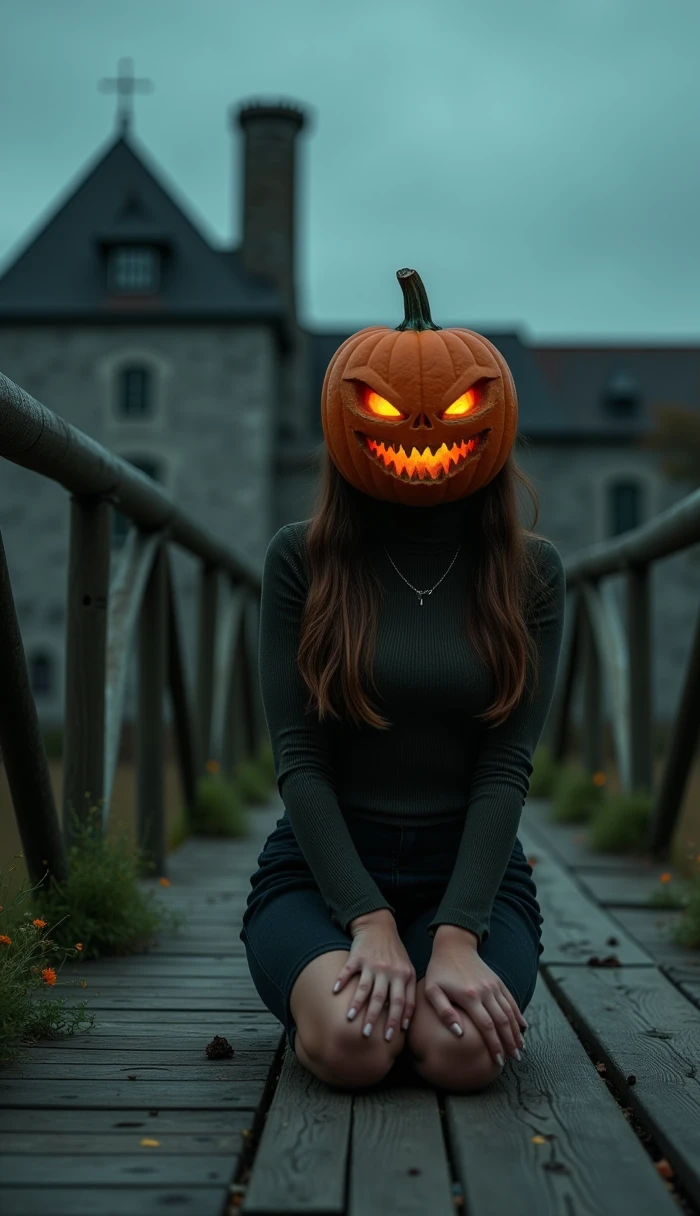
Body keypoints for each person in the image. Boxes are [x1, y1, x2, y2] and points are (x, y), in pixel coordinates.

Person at [240, 269, 565, 1093]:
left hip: (471, 873)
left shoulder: (531, 573)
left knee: (460, 1056)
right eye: (384, 408)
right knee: (356, 1047)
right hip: (324, 872)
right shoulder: (299, 559)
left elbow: (506, 764)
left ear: (493, 417)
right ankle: (365, 969)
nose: (421, 425)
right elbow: (298, 758)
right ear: (345, 417)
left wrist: (457, 932)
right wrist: (368, 918)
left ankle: (437, 967)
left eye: (455, 409)